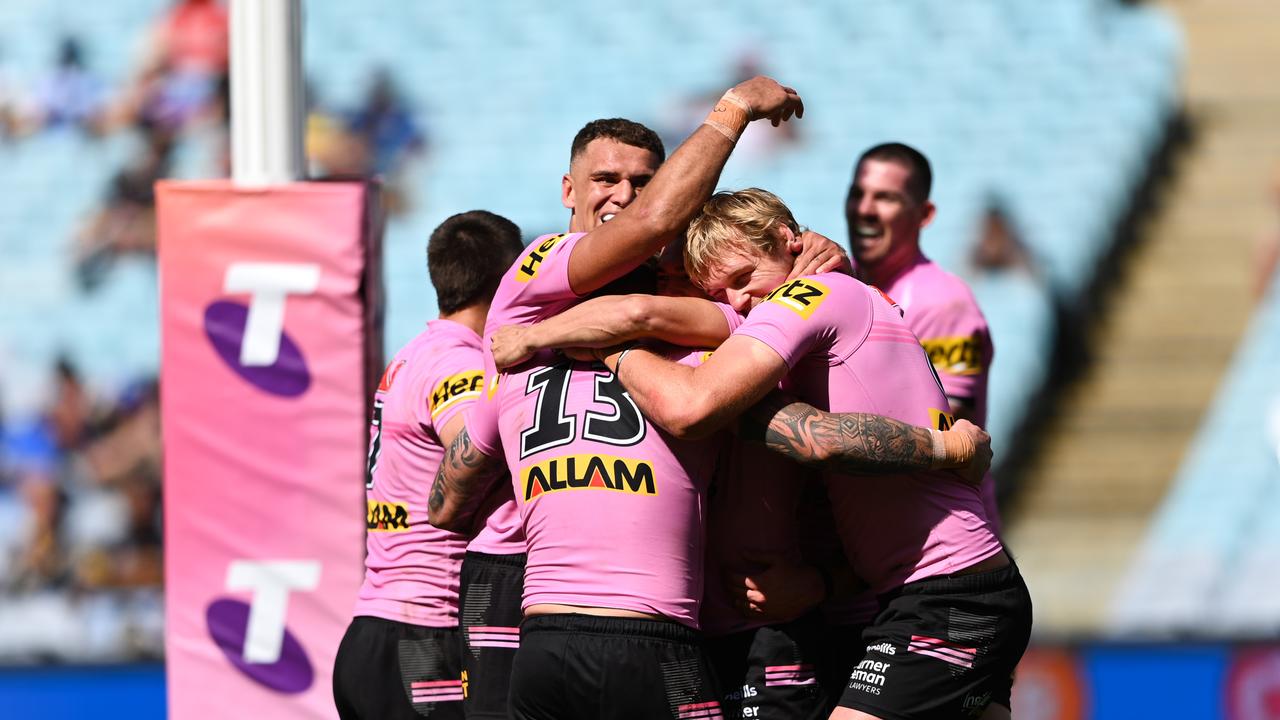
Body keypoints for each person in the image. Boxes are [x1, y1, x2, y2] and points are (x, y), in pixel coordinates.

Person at [589, 188, 1031, 720]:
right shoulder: (832, 301)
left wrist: (603, 341)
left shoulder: (812, 296)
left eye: (741, 277)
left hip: (949, 590)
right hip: (936, 588)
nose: (735, 303)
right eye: (717, 292)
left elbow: (702, 407)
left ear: (784, 241)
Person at [332, 211, 524, 720]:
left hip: (376, 626)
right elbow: (470, 447)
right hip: (423, 635)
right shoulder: (457, 365)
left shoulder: (414, 354)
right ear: (506, 282)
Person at [845, 143, 1003, 531]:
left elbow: (949, 423)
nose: (865, 209)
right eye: (857, 193)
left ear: (924, 214)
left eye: (885, 198)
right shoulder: (845, 284)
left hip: (942, 539)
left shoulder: (944, 301)